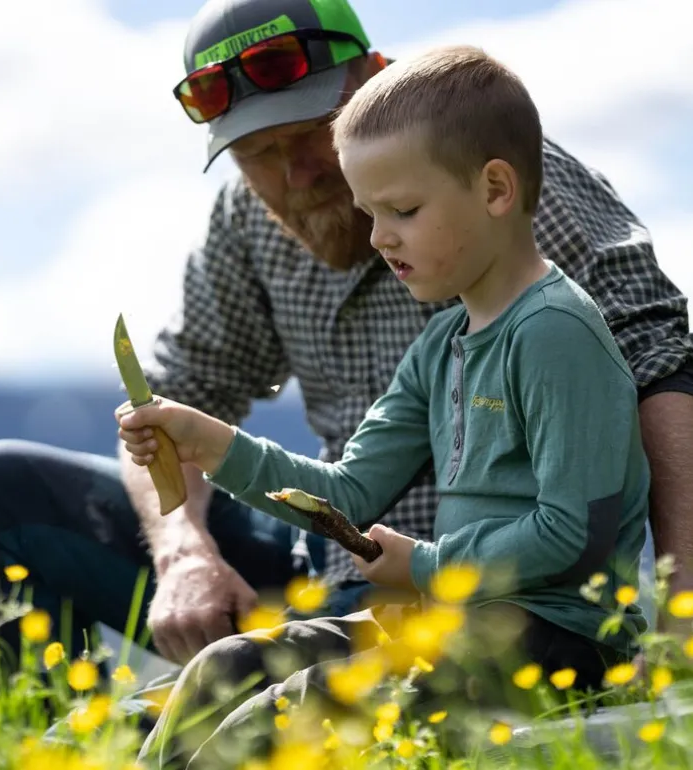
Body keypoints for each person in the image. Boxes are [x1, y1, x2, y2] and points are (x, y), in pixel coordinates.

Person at [0, 0, 693, 676]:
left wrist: (683, 608)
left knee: (233, 692)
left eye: (313, 136)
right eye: (256, 154)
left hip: (484, 593)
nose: (296, 176)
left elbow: (659, 358)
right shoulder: (246, 224)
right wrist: (184, 554)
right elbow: (196, 401)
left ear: (374, 81)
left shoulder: (502, 189)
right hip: (323, 551)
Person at [118, 44, 650, 769]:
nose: (378, 238)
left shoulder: (555, 333)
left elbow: (571, 536)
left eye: (402, 210)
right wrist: (210, 444)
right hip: (456, 621)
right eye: (370, 213)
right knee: (230, 666)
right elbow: (349, 491)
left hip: (561, 641)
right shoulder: (444, 343)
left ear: (496, 190)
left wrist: (426, 565)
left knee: (301, 700)